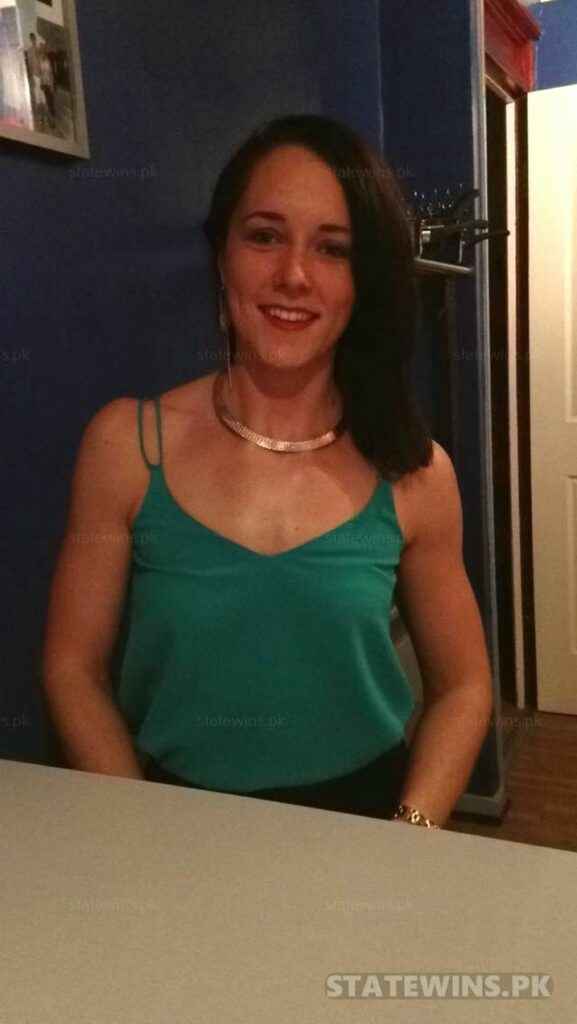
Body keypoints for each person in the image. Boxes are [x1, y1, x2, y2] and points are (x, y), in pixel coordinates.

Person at [42, 114, 493, 830]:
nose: (294, 275)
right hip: (166, 825)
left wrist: (408, 835)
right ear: (222, 254)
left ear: (363, 279)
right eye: (264, 236)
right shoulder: (126, 445)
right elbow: (73, 669)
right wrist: (136, 829)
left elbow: (464, 686)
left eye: (333, 248)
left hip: (362, 833)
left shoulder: (414, 471)